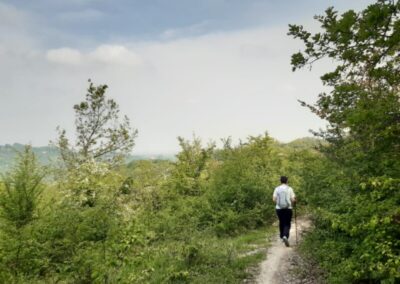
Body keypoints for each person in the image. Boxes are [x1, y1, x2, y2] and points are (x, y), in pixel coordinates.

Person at [273, 176, 296, 247]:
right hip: (288, 208)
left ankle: (281, 236)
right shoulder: (290, 189)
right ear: (287, 181)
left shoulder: (277, 189)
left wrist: (279, 204)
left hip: (278, 209)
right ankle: (285, 236)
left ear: (280, 181)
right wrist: (295, 201)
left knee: (281, 222)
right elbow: (293, 199)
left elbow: (274, 199)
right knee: (287, 223)